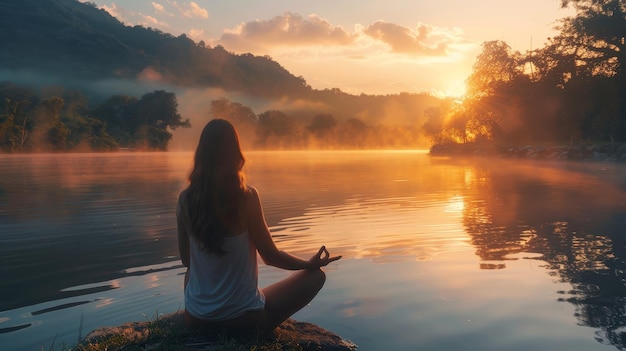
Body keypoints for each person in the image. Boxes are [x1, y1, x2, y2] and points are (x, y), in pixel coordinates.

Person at [176, 118, 341, 333]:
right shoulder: (246, 197)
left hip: (195, 319)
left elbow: (186, 260)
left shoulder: (185, 199)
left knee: (192, 271)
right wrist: (309, 264)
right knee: (316, 277)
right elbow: (271, 257)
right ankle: (238, 307)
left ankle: (212, 310)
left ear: (201, 154)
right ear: (235, 152)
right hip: (243, 322)